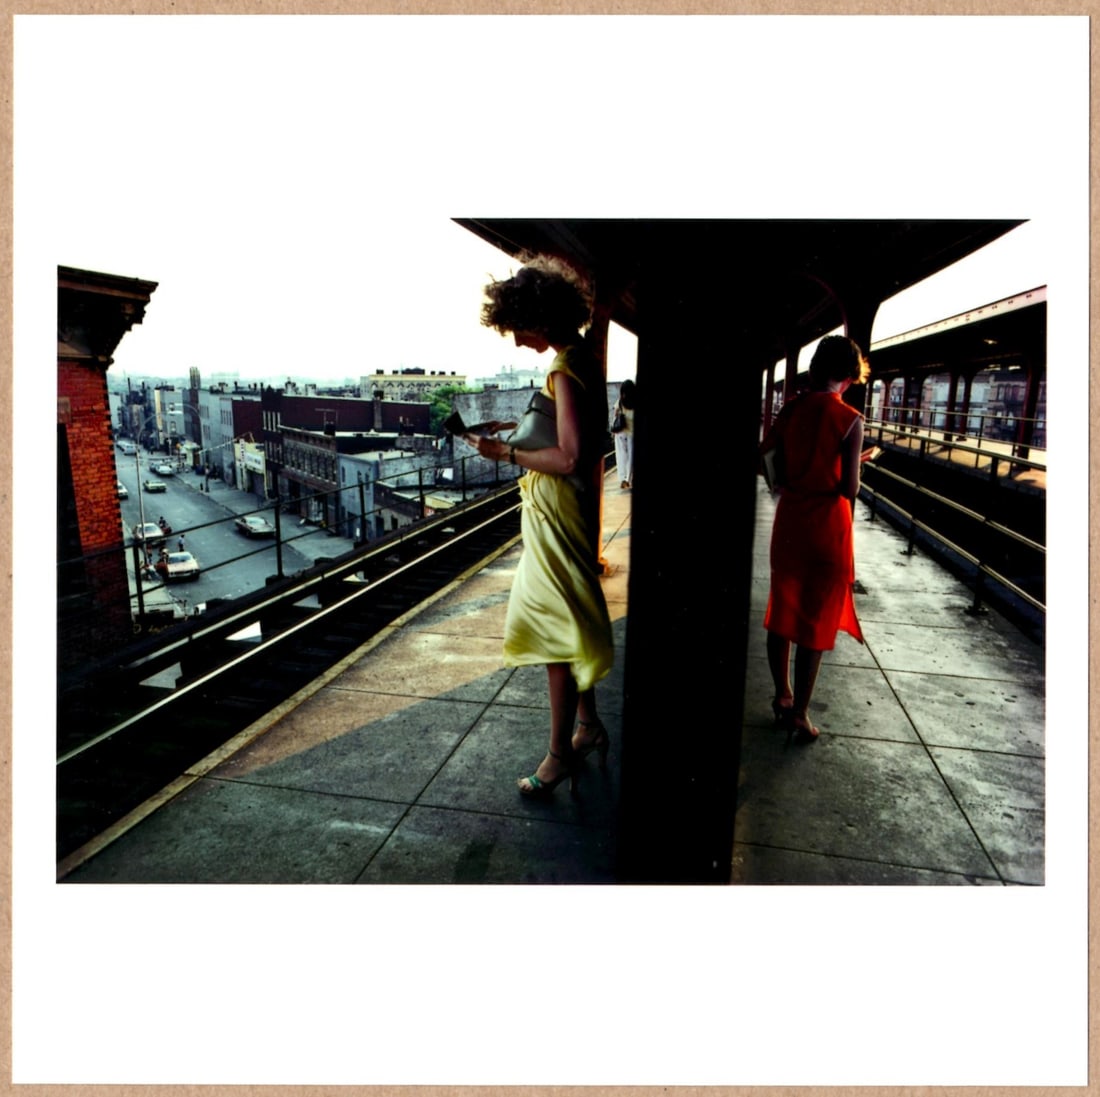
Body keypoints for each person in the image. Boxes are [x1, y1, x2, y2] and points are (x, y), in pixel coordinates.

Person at [465, 255, 614, 797]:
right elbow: (577, 437)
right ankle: (587, 726)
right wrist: (523, 428)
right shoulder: (583, 358)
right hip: (566, 509)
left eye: (517, 326)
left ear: (539, 318)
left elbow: (569, 456)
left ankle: (558, 756)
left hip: (556, 510)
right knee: (565, 616)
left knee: (554, 628)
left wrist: (503, 452)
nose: (515, 338)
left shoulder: (563, 368)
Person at [761, 334, 872, 742]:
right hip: (827, 527)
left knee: (782, 611)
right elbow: (849, 488)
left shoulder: (790, 410)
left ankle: (782, 695)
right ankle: (801, 714)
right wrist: (857, 463)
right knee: (815, 619)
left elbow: (766, 460)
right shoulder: (851, 420)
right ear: (848, 376)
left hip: (791, 521)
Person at [611, 378, 636, 489]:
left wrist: (613, 430)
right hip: (631, 434)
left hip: (620, 433)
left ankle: (623, 479)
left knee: (621, 457)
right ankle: (628, 479)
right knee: (630, 458)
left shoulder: (620, 401)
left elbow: (615, 415)